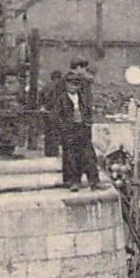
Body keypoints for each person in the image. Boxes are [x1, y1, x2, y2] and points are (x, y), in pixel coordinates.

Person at [53, 60, 99, 190]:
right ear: (66, 85)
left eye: (76, 85)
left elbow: (88, 111)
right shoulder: (62, 99)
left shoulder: (82, 98)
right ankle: (73, 182)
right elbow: (56, 116)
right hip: (69, 130)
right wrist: (64, 128)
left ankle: (94, 181)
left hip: (82, 129)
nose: (73, 87)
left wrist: (88, 122)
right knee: (71, 157)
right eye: (71, 85)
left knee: (89, 155)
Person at [38, 70, 64, 157]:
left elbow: (40, 96)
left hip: (46, 112)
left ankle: (48, 151)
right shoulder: (61, 87)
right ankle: (54, 152)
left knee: (48, 132)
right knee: (56, 132)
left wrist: (43, 106)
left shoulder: (46, 86)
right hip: (57, 112)